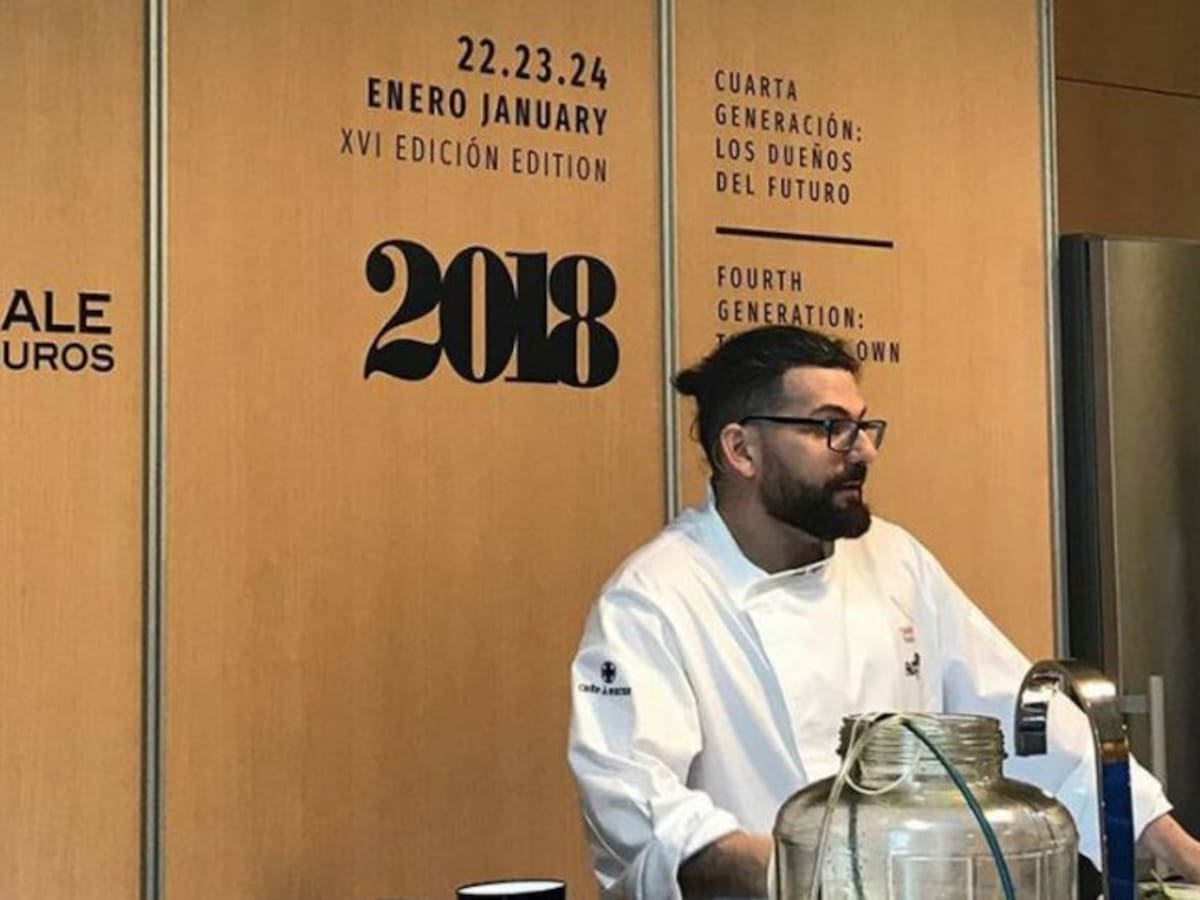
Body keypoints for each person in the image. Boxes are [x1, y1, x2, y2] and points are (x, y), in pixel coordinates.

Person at [567, 325, 1200, 899]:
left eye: (864, 426)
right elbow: (637, 804)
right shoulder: (655, 599)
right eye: (830, 428)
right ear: (741, 450)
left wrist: (1174, 846)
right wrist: (813, 876)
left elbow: (1018, 714)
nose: (863, 450)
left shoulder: (893, 559)